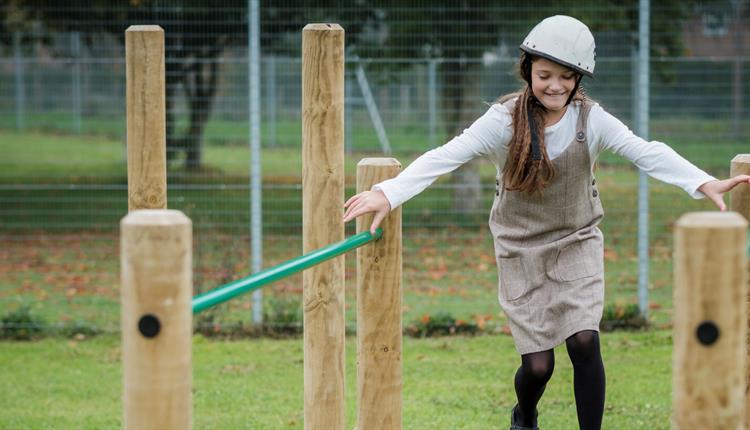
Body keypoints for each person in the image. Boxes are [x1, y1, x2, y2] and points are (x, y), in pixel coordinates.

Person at [342, 15, 750, 430]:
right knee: (538, 366)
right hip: (520, 247)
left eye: (566, 77)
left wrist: (702, 181)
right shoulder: (503, 121)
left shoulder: (591, 119)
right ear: (528, 72)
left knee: (585, 340)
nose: (555, 85)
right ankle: (526, 414)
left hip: (577, 239)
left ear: (578, 78)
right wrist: (388, 192)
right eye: (545, 75)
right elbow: (448, 154)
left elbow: (645, 151)